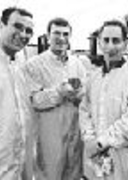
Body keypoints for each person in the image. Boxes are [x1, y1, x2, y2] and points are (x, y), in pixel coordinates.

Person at [79, 20, 128, 180]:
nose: (110, 46)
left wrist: (100, 143)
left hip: (123, 156)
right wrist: (89, 138)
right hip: (95, 154)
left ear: (126, 44)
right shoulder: (93, 77)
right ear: (99, 43)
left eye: (116, 41)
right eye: (106, 40)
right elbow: (85, 110)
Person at [21, 17, 85, 180]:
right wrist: (58, 92)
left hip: (74, 132)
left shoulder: (77, 64)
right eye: (56, 33)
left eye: (65, 34)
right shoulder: (34, 65)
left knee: (73, 173)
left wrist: (80, 95)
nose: (61, 38)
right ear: (48, 36)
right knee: (50, 174)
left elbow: (85, 93)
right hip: (49, 135)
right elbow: (34, 100)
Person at [0, 7, 34, 180]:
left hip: (15, 166)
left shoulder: (19, 61)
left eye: (29, 31)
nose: (23, 34)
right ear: (1, 25)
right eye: (17, 26)